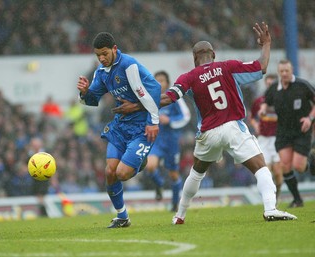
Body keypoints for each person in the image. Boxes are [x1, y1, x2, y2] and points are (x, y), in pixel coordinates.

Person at [113, 22, 297, 224]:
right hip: (233, 127)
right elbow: (261, 67)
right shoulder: (228, 67)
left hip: (208, 133)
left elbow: (167, 99)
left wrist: (138, 105)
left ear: (194, 59)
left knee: (197, 173)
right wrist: (266, 44)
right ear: (213, 54)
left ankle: (179, 215)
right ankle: (270, 208)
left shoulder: (189, 77)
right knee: (261, 168)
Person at [76, 32, 161, 228]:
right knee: (110, 172)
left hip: (141, 128)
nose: (101, 58)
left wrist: (152, 122)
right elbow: (92, 99)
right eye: (98, 55)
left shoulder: (128, 66)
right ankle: (122, 217)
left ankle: (141, 161)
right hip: (120, 126)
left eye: (105, 53)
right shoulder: (102, 72)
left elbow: (153, 91)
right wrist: (84, 92)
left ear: (114, 49)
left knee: (122, 173)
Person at [259, 59, 315, 208]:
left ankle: (311, 160)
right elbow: (266, 100)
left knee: (298, 165)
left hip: (301, 130)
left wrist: (310, 118)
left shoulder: (302, 85)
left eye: (287, 71)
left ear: (292, 71)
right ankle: (297, 199)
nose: (284, 74)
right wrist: (263, 108)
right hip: (283, 132)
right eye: (281, 71)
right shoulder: (274, 88)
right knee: (285, 165)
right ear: (279, 72)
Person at [144, 71, 191, 212]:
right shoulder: (149, 99)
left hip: (171, 142)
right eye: (156, 80)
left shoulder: (175, 98)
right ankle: (159, 184)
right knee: (150, 166)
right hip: (155, 141)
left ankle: (175, 204)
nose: (159, 83)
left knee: (174, 174)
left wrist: (170, 121)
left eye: (162, 80)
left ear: (167, 83)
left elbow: (186, 116)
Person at [249, 74, 283, 203]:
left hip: (278, 139)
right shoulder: (259, 101)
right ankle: (270, 199)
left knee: (278, 173)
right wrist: (255, 124)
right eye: (268, 84)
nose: (270, 86)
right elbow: (251, 117)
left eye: (272, 84)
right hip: (263, 138)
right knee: (265, 170)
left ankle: (277, 193)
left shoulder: (282, 99)